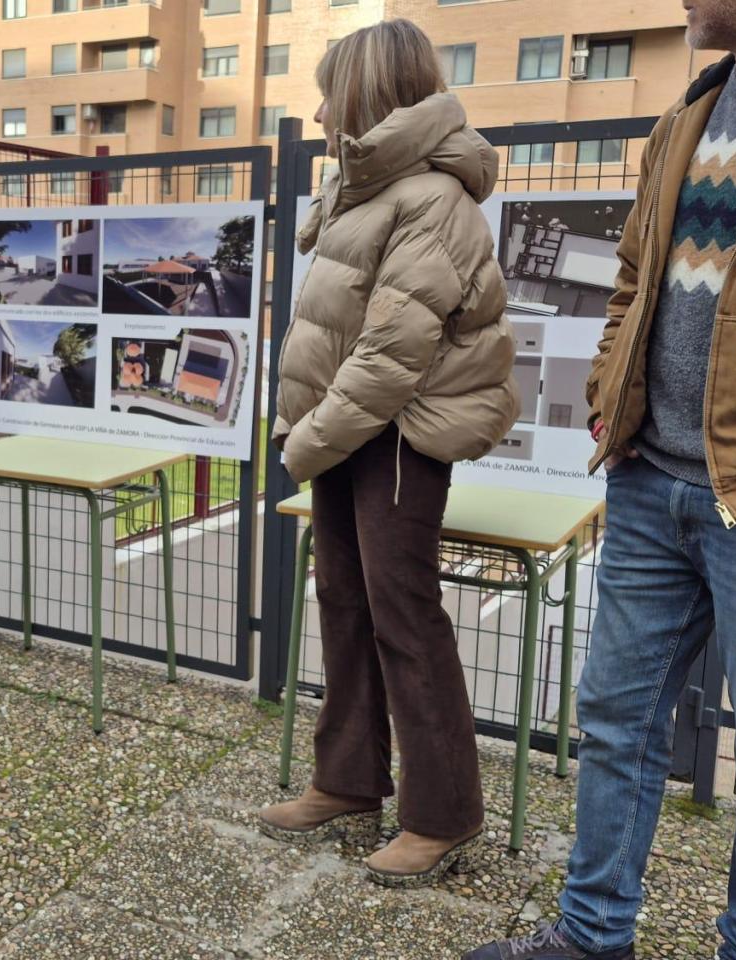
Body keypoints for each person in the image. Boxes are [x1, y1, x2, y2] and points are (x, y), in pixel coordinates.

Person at [465, 2, 736, 958]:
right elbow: (632, 282)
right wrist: (611, 400)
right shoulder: (688, 115)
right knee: (616, 722)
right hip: (651, 482)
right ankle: (591, 937)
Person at [259, 19, 520, 887]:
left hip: (399, 433)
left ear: (372, 93)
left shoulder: (431, 198)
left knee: (403, 614)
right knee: (343, 599)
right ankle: (348, 781)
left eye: (334, 90)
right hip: (347, 427)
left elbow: (391, 357)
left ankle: (443, 814)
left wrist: (304, 442)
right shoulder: (368, 187)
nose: (325, 107)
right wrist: (314, 432)